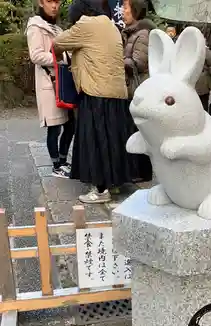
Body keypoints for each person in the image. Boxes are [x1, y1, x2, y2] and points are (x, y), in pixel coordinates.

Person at [53, 0, 138, 204]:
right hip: (117, 94)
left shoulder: (86, 24)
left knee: (96, 140)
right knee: (112, 140)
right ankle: (113, 183)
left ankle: (100, 190)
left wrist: (60, 56)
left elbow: (57, 43)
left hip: (96, 93)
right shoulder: (110, 25)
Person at [26, 0, 75, 178]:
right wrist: (61, 58)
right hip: (49, 83)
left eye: (57, 2)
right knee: (54, 126)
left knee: (71, 125)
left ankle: (63, 160)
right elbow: (36, 55)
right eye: (49, 1)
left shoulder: (58, 29)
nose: (54, 6)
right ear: (41, 2)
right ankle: (56, 165)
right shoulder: (35, 26)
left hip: (62, 82)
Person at [121, 0, 155, 182]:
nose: (122, 11)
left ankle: (142, 172)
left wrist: (117, 60)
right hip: (130, 90)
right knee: (131, 130)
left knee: (139, 131)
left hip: (138, 90)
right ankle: (134, 170)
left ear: (135, 10)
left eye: (125, 7)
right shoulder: (130, 33)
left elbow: (139, 62)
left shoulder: (142, 35)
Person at [196, 43, 211, 112]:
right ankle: (204, 117)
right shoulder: (204, 49)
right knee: (204, 100)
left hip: (191, 77)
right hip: (202, 77)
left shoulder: (188, 47)